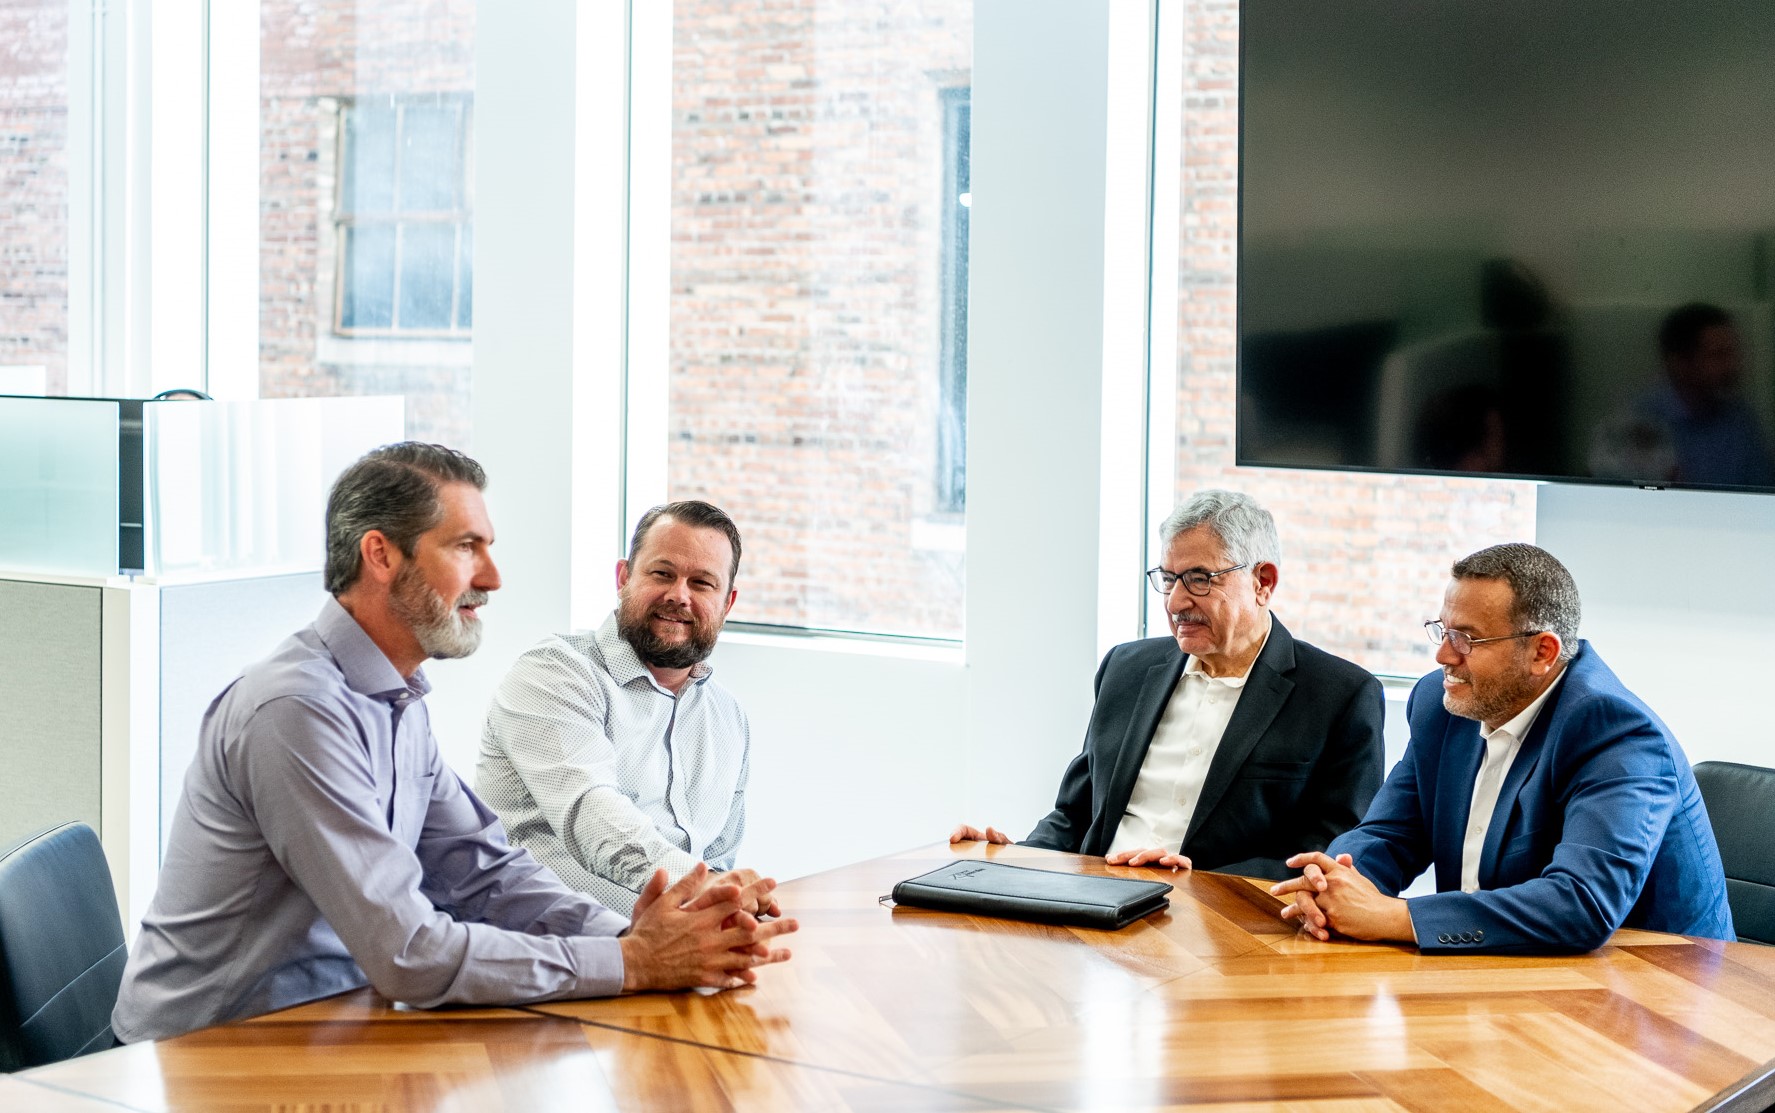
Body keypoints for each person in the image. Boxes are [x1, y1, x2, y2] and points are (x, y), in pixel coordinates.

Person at [112, 445, 795, 1044]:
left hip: (329, 1029)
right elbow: (408, 951)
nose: (492, 577)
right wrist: (634, 962)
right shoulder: (297, 710)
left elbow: (484, 874)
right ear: (381, 555)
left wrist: (631, 938)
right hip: (203, 1058)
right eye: (466, 547)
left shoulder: (395, 700)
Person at [1272, 543, 1733, 953]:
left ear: (1542, 652)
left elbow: (1582, 902)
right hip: (1498, 970)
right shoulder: (1442, 704)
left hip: (1652, 992)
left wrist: (1396, 917)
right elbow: (1390, 835)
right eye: (1442, 630)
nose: (1443, 656)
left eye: (1467, 639)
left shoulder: (1616, 733)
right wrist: (1333, 884)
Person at [951, 490, 1385, 881]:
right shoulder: (1124, 669)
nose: (1176, 602)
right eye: (1168, 578)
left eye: (1199, 579)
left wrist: (1197, 886)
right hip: (1094, 901)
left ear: (1263, 582)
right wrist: (1013, 862)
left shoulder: (1340, 696)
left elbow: (1330, 854)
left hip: (1221, 924)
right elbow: (1074, 815)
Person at [477, 501, 760, 916]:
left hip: (682, 942)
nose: (679, 595)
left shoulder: (728, 718)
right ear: (624, 578)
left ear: (727, 603)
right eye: (662, 574)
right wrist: (705, 890)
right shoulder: (553, 674)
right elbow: (593, 820)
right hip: (553, 945)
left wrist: (725, 907)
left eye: (702, 583)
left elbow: (718, 858)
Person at [1633, 303, 1775, 487]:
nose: (1732, 366)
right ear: (1679, 363)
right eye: (1718, 355)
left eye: (1732, 353)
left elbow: (1763, 490)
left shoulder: (1739, 418)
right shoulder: (1639, 424)